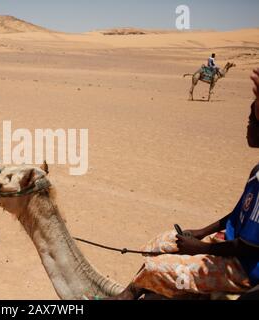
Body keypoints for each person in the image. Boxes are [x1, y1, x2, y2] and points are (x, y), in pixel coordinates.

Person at [103, 68, 259, 300]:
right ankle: (136, 291)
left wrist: (201, 249)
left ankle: (126, 297)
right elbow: (236, 216)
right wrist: (200, 232)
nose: (247, 125)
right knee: (158, 243)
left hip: (244, 268)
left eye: (252, 120)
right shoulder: (256, 171)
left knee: (156, 268)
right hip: (227, 245)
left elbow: (250, 247)